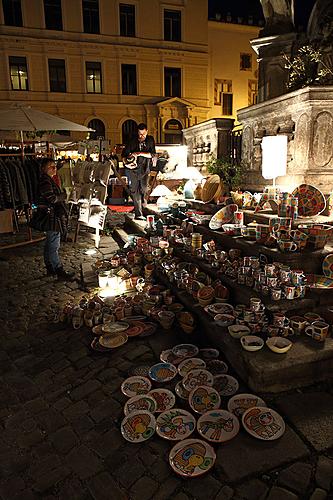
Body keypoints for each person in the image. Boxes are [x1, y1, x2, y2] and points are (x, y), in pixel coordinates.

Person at [38, 158, 75, 280]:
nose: (55, 169)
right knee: (54, 244)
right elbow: (52, 198)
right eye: (51, 167)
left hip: (51, 215)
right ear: (44, 168)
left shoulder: (48, 179)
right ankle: (59, 271)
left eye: (55, 166)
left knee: (50, 242)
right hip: (52, 216)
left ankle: (50, 268)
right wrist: (64, 196)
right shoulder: (45, 181)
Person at [122, 123, 156, 220]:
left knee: (144, 188)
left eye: (143, 134)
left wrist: (139, 153)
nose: (142, 136)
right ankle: (138, 214)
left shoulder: (150, 140)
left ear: (147, 132)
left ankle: (142, 203)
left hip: (145, 168)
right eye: (140, 134)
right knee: (135, 190)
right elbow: (124, 155)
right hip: (133, 169)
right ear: (137, 132)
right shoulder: (132, 140)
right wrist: (130, 156)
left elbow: (152, 154)